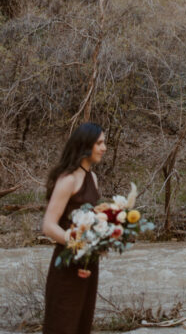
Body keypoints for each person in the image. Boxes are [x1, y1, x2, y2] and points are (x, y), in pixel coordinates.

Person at [42, 122, 107, 334]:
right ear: (85, 145)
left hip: (88, 265)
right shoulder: (68, 180)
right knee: (62, 325)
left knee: (82, 324)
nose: (103, 148)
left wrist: (103, 238)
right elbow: (49, 226)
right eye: (99, 143)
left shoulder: (93, 178)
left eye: (103, 143)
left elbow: (93, 220)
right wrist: (77, 243)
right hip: (67, 263)